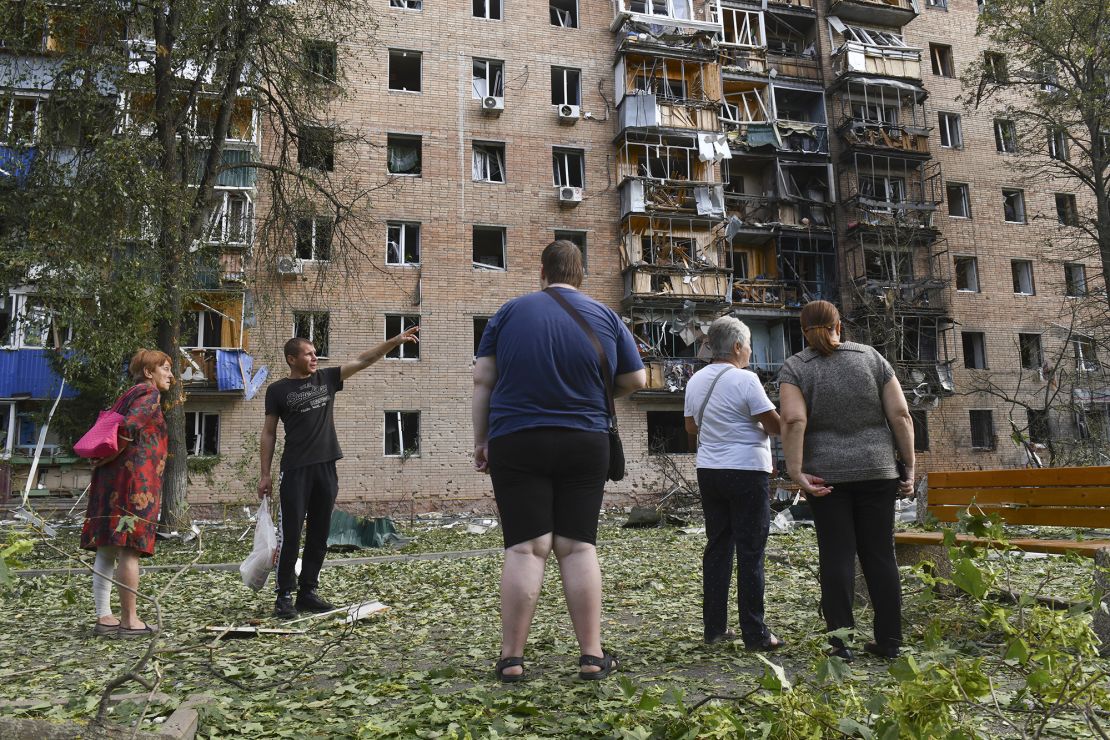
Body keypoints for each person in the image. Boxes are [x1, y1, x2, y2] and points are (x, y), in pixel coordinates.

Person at [472, 240, 646, 682]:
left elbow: (483, 380)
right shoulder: (606, 315)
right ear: (581, 273)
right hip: (585, 440)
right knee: (578, 546)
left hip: (516, 437)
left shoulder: (508, 313)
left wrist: (482, 439)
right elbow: (636, 378)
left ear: (542, 272)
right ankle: (591, 655)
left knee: (526, 547)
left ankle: (512, 659)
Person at [778, 300, 914, 662]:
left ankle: (840, 646)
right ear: (840, 325)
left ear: (802, 329)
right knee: (880, 556)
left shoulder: (795, 367)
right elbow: (900, 415)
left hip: (826, 476)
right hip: (878, 470)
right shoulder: (871, 358)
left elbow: (792, 420)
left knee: (836, 556)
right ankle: (890, 642)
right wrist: (910, 466)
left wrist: (795, 472)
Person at [259, 327, 420, 619]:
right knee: (291, 535)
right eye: (307, 353)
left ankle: (307, 592)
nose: (314, 357)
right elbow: (269, 433)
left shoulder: (327, 378)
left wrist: (395, 341)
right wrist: (264, 474)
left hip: (326, 467)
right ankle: (284, 596)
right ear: (291, 358)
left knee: (320, 533)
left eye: (314, 352)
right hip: (295, 469)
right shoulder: (277, 390)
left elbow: (363, 360)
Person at [683, 316, 785, 650]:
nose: (751, 352)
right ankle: (755, 634)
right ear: (738, 346)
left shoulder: (696, 380)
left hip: (709, 472)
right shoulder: (747, 380)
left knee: (718, 547)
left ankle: (714, 629)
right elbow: (774, 426)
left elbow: (690, 428)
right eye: (750, 345)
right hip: (746, 471)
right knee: (751, 551)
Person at [81, 349, 174, 638]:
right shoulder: (148, 394)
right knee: (130, 549)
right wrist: (109, 455)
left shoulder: (128, 394)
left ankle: (104, 617)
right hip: (135, 485)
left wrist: (104, 460)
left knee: (108, 547)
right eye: (166, 368)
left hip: (111, 483)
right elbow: (128, 429)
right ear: (149, 372)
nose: (170, 375)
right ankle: (129, 621)